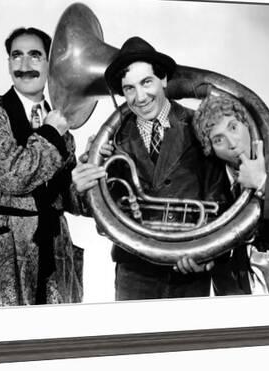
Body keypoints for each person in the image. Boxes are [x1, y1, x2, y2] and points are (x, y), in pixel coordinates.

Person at [72, 36, 225, 301]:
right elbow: (97, 210)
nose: (140, 97)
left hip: (189, 266)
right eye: (129, 88)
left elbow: (220, 196)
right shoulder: (111, 138)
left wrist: (208, 253)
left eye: (146, 82)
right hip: (134, 271)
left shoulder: (199, 124)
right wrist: (84, 186)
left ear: (163, 79)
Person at [0, 27, 84, 308]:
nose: (25, 65)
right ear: (8, 63)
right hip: (2, 245)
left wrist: (89, 178)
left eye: (35, 56)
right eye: (16, 56)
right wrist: (52, 133)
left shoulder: (62, 126)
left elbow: (68, 199)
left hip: (54, 247)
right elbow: (14, 177)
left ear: (51, 64)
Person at [176, 94, 269, 294]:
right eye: (218, 140)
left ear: (246, 124)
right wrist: (204, 260)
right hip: (239, 287)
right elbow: (213, 236)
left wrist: (262, 181)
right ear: (211, 150)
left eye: (233, 128)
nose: (232, 144)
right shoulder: (209, 176)